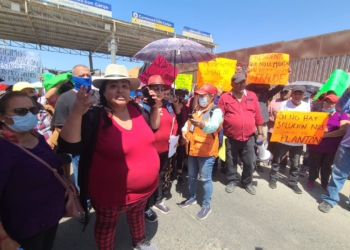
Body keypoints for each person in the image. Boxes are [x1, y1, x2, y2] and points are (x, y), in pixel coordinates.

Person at [58, 64, 160, 250]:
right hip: (110, 196)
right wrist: (76, 113)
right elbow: (68, 146)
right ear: (103, 92)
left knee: (137, 216)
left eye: (124, 85)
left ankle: (139, 241)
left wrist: (156, 107)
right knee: (106, 226)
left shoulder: (138, 110)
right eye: (113, 86)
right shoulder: (93, 116)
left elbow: (153, 129)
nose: (120, 89)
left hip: (143, 192)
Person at [0, 91, 73, 250]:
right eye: (20, 111)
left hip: (50, 218)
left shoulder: (36, 137)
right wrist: (3, 238)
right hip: (23, 228)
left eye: (33, 110)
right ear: (2, 116)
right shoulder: (3, 147)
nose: (29, 115)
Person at [52, 64, 99, 195]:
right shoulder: (65, 98)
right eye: (81, 75)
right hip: (80, 151)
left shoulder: (98, 95)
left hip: (99, 147)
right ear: (73, 78)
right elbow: (60, 126)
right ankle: (84, 203)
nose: (85, 77)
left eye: (88, 75)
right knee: (82, 178)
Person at [140, 75, 181, 222]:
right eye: (155, 88)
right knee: (148, 179)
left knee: (161, 175)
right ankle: (144, 207)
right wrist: (154, 105)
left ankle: (157, 200)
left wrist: (174, 136)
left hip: (166, 149)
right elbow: (151, 126)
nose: (159, 91)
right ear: (148, 89)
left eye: (161, 88)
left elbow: (174, 121)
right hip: (149, 152)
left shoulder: (168, 106)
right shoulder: (142, 106)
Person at [179, 84, 223, 220]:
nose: (201, 98)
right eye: (199, 95)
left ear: (212, 97)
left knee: (205, 179)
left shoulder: (216, 111)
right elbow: (188, 124)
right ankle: (192, 197)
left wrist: (203, 124)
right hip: (192, 149)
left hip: (206, 152)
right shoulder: (196, 108)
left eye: (204, 96)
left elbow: (214, 126)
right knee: (192, 176)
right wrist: (184, 131)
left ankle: (206, 205)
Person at [218, 73, 264, 195]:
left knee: (250, 161)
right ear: (232, 84)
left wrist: (260, 133)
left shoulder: (252, 96)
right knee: (231, 161)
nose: (241, 84)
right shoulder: (225, 97)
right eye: (238, 82)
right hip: (231, 137)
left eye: (243, 81)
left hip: (249, 137)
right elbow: (218, 116)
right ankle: (232, 180)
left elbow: (258, 116)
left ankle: (247, 182)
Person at [269, 86, 310, 194]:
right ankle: (273, 178)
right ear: (292, 94)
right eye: (295, 94)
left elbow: (308, 122)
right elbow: (279, 120)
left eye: (300, 94)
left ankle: (293, 182)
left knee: (295, 163)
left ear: (304, 96)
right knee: (276, 160)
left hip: (297, 141)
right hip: (283, 139)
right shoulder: (284, 104)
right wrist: (278, 116)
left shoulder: (306, 106)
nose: (297, 96)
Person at [306, 94, 349, 191]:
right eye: (327, 101)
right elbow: (308, 128)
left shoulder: (342, 115)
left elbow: (343, 130)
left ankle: (324, 182)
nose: (329, 104)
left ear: (337, 104)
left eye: (332, 102)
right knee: (314, 164)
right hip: (315, 145)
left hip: (332, 147)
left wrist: (325, 135)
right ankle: (311, 180)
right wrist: (319, 130)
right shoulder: (317, 113)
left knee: (327, 166)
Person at [318, 86, 350, 213]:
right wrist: (348, 92)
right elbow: (340, 107)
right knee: (338, 174)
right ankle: (330, 199)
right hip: (347, 146)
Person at [246, 83, 284, 172]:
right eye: (257, 86)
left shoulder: (266, 95)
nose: (259, 87)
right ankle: (249, 163)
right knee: (250, 144)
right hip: (250, 123)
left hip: (262, 125)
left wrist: (285, 75)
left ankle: (258, 162)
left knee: (261, 144)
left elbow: (279, 87)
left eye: (261, 86)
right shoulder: (247, 95)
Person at [267, 85, 292, 172]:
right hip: (272, 130)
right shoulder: (273, 101)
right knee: (271, 147)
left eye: (286, 92)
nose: (283, 93)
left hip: (286, 132)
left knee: (284, 149)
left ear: (290, 93)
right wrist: (274, 120)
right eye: (282, 92)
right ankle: (269, 160)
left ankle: (282, 164)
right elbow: (267, 114)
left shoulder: (292, 103)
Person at [174, 89, 191, 185]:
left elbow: (188, 123)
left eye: (181, 95)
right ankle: (171, 172)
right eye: (177, 94)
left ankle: (179, 174)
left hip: (182, 135)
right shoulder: (171, 107)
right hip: (172, 135)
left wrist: (185, 137)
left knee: (180, 155)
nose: (179, 96)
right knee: (171, 156)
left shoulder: (186, 108)